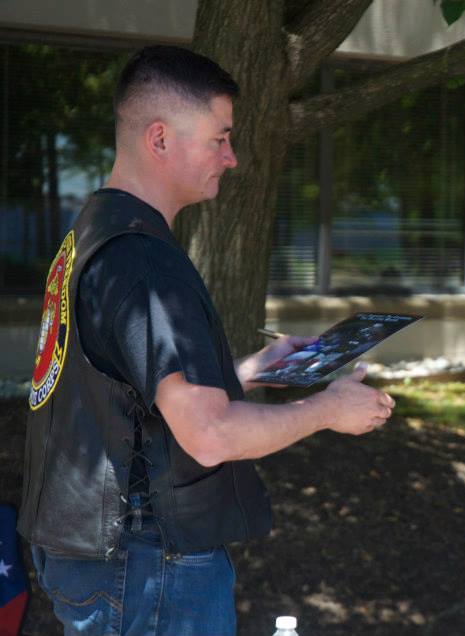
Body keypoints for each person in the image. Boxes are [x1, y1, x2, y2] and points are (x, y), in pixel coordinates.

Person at [20, 46, 394, 636]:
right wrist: (328, 409)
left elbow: (114, 394)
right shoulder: (145, 262)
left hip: (94, 555)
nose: (233, 157)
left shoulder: (92, 234)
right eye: (220, 138)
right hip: (146, 564)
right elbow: (210, 434)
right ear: (161, 139)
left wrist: (245, 372)